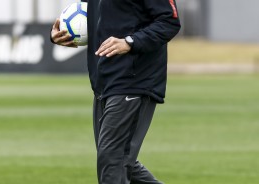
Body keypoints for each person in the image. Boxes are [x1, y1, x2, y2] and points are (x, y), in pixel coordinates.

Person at [51, 0, 181, 183]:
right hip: (104, 82)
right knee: (118, 160)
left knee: (113, 161)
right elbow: (94, 17)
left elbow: (169, 21)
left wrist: (131, 42)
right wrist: (62, 34)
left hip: (134, 79)